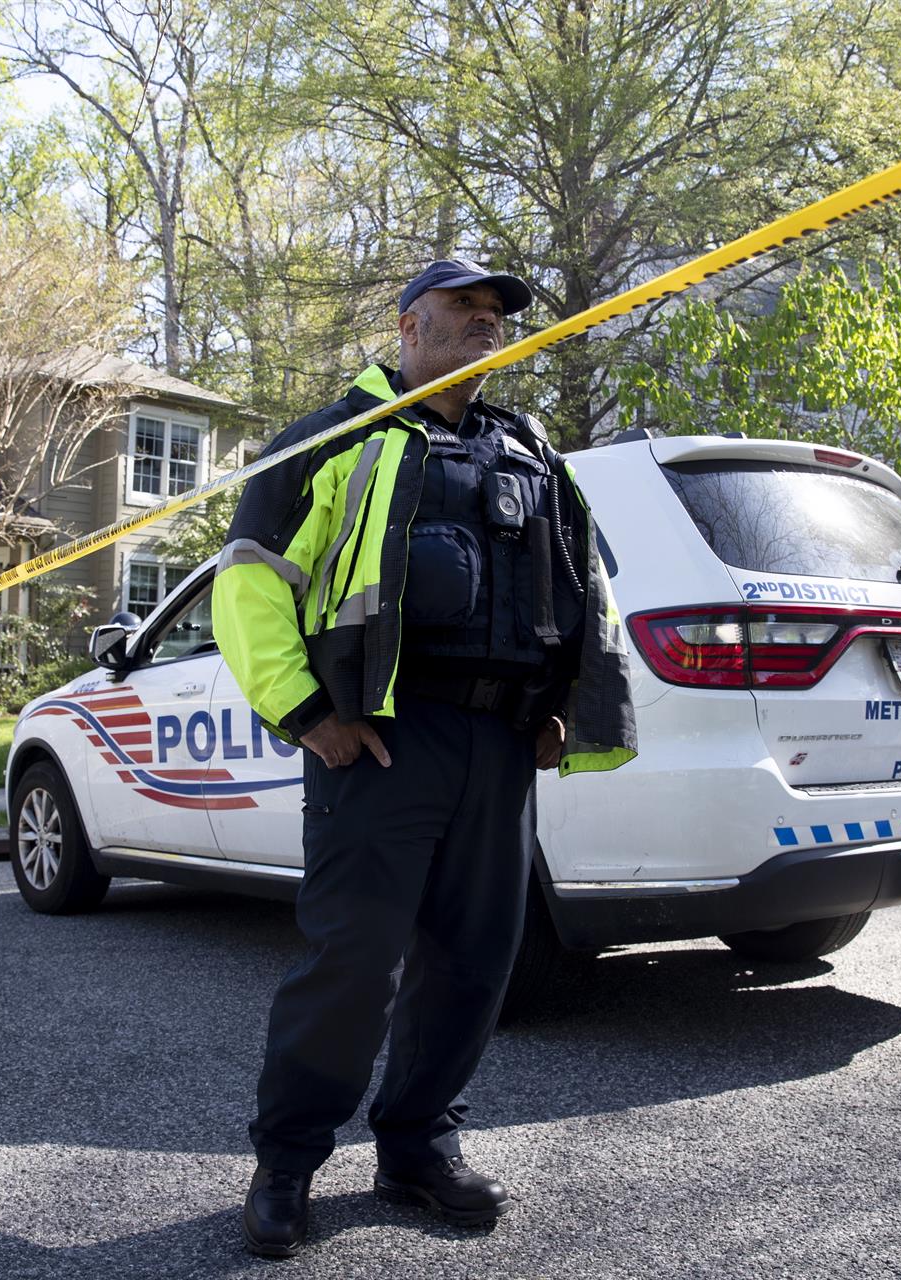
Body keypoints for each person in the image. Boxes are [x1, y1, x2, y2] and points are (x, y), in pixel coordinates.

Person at [214, 258, 637, 1258]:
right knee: (353, 962)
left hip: (501, 745)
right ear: (410, 326)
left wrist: (569, 708)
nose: (489, 322)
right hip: (380, 741)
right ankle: (287, 1163)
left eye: (497, 313)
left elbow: (587, 583)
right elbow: (250, 583)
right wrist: (308, 713)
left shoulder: (530, 450)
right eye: (466, 308)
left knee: (474, 961)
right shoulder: (331, 438)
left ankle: (416, 1146)